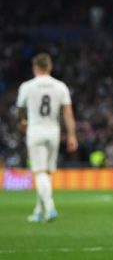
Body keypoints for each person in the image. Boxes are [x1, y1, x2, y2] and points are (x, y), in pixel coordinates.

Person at [16, 53, 78, 223]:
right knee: (47, 173)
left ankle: (50, 207)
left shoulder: (27, 86)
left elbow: (20, 111)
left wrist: (22, 122)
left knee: (39, 172)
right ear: (49, 67)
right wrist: (72, 135)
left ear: (35, 68)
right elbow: (68, 113)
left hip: (35, 130)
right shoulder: (60, 86)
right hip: (53, 131)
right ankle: (38, 211)